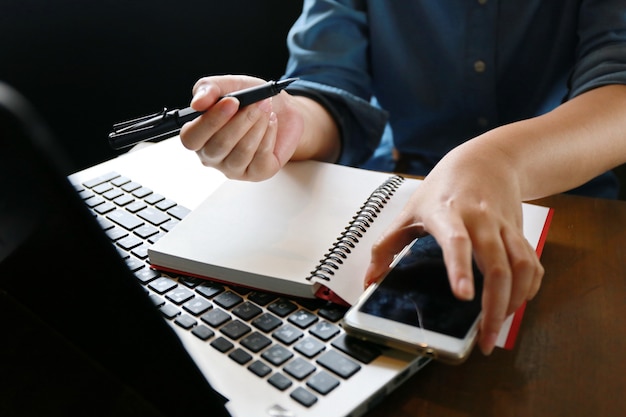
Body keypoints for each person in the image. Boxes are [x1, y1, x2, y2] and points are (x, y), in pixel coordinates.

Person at [179, 1, 626, 356]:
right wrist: (286, 120)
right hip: (399, 194)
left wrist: (496, 161)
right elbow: (331, 89)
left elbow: (618, 87)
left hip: (573, 206)